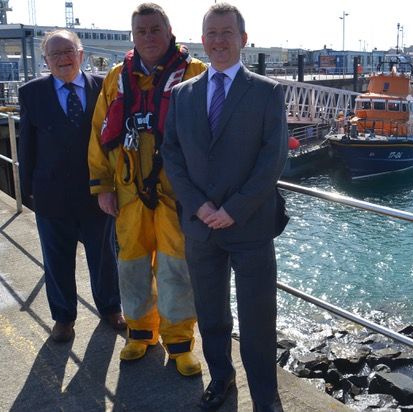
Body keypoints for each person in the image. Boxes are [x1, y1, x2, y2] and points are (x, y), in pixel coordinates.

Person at [163, 3, 289, 410]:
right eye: (211, 34)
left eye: (227, 33)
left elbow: (272, 161)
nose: (219, 41)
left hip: (250, 226)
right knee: (211, 313)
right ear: (203, 41)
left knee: (257, 320)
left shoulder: (267, 93)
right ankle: (222, 379)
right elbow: (172, 156)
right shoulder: (182, 96)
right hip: (200, 227)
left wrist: (234, 208)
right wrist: (199, 206)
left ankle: (265, 397)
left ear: (243, 40)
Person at [88, 3, 205, 376]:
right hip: (127, 193)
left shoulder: (195, 74)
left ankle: (180, 343)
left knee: (176, 268)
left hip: (175, 193)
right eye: (141, 31)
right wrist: (102, 186)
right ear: (132, 36)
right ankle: (140, 333)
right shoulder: (116, 78)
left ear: (170, 32)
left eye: (155, 30)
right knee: (132, 266)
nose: (149, 37)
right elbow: (97, 135)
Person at [18, 29, 125, 343]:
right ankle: (63, 318)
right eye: (56, 54)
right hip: (51, 192)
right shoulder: (31, 93)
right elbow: (27, 145)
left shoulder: (103, 87)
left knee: (105, 256)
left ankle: (110, 307)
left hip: (97, 191)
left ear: (81, 55)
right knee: (57, 259)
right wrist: (28, 190)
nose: (63, 59)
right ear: (46, 60)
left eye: (69, 51)